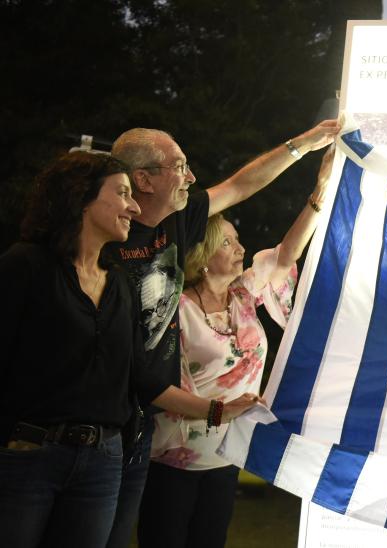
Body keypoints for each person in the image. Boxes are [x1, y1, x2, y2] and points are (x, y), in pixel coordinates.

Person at [0, 152, 259, 548]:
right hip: (30, 455)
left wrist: (219, 409)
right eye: (122, 193)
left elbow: (141, 376)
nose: (133, 206)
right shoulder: (26, 266)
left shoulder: (117, 281)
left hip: (103, 458)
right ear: (80, 198)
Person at [104, 119, 339, 547]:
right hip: (153, 445)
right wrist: (216, 411)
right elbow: (147, 374)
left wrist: (305, 153)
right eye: (179, 166)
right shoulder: (126, 259)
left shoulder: (239, 294)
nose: (190, 177)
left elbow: (243, 191)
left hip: (209, 449)